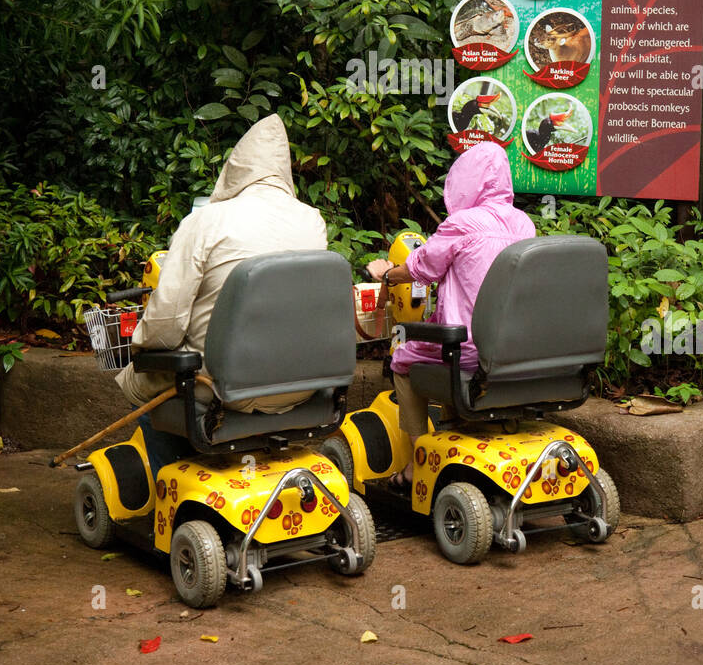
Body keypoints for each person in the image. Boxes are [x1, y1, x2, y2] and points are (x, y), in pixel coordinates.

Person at [116, 114, 327, 469]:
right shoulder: (313, 220)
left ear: (236, 168)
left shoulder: (205, 222)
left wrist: (142, 350)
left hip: (222, 389)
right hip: (303, 386)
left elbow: (165, 322)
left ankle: (171, 480)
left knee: (138, 379)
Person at [367, 142, 535, 489]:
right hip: (515, 352)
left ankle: (418, 463)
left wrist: (386, 274)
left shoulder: (462, 223)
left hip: (468, 350)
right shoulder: (524, 224)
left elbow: (421, 267)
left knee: (403, 359)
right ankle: (463, 436)